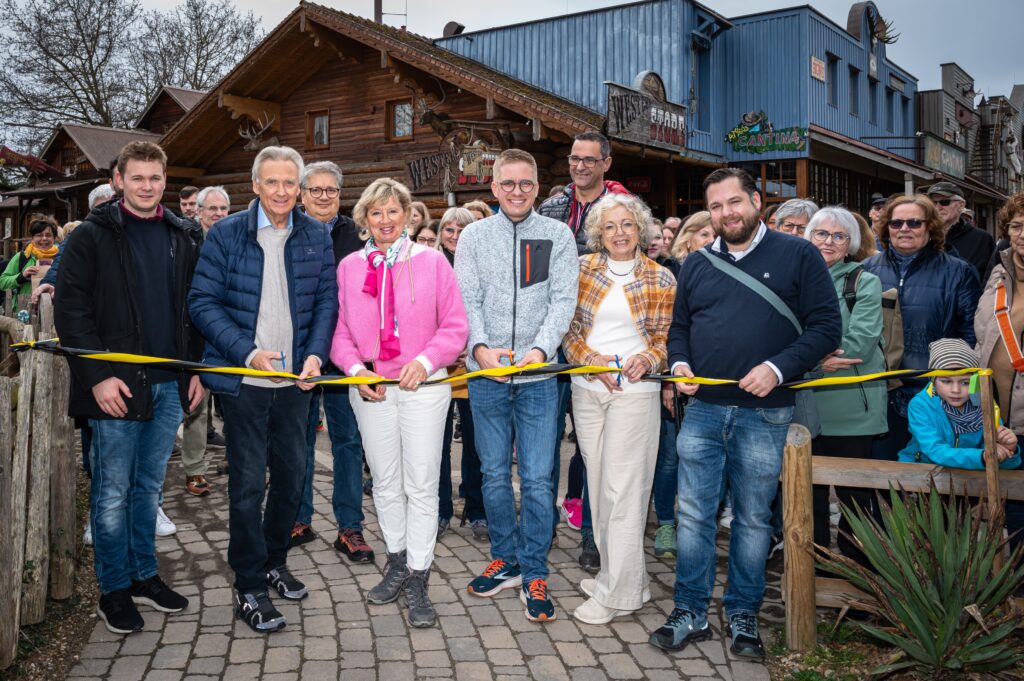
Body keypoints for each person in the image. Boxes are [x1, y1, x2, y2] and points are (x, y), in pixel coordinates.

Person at [650, 167, 841, 657]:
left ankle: (742, 615)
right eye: (715, 206)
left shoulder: (798, 254)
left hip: (767, 413)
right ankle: (690, 610)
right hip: (705, 411)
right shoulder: (695, 263)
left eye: (734, 202)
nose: (725, 214)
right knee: (692, 515)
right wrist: (680, 363)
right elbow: (680, 328)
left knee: (754, 520)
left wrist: (778, 368)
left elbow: (825, 328)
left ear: (757, 201)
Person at [54, 140, 204, 634]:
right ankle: (113, 589)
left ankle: (144, 576)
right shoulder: (92, 236)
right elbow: (71, 311)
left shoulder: (182, 234)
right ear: (118, 180)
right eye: (136, 177)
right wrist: (97, 375)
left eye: (155, 178)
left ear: (165, 181)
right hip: (115, 387)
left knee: (148, 488)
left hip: (168, 386)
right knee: (112, 491)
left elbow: (194, 308)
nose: (146, 186)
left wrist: (195, 369)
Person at [188, 146, 338, 633]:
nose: (281, 191)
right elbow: (203, 303)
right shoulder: (227, 234)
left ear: (299, 187)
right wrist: (246, 352)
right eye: (271, 182)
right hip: (245, 383)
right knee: (249, 485)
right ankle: (248, 584)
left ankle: (275, 561)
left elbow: (325, 303)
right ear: (255, 185)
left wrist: (316, 353)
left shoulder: (315, 233)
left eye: (289, 183)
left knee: (293, 480)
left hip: (297, 383)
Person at [331, 177, 468, 628]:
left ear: (409, 214)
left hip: (423, 389)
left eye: (394, 211)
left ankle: (419, 577)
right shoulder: (350, 266)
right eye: (376, 212)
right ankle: (396, 559)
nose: (386, 220)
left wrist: (427, 362)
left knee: (422, 483)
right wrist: (355, 370)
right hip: (372, 389)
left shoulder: (431, 262)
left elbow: (454, 327)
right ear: (364, 219)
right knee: (386, 482)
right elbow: (340, 333)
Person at [455, 148, 579, 622]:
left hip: (538, 376)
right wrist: (480, 349)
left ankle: (535, 569)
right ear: (493, 187)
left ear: (537, 187)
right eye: (508, 183)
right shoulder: (473, 236)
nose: (516, 191)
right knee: (491, 475)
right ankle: (506, 557)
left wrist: (540, 351)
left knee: (538, 476)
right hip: (486, 373)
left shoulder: (557, 235)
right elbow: (466, 297)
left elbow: (562, 300)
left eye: (525, 183)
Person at [562, 193, 675, 624]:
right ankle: (621, 577)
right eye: (610, 226)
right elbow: (568, 330)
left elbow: (665, 341)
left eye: (627, 224)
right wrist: (589, 364)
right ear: (598, 233)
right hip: (586, 387)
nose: (619, 233)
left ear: (641, 229)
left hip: (636, 392)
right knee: (599, 484)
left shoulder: (661, 278)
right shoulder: (581, 270)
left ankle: (619, 595)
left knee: (624, 491)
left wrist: (647, 359)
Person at [538, 130, 629, 570]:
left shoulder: (622, 210)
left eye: (590, 160)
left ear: (606, 163)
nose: (580, 166)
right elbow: (534, 270)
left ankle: (593, 535)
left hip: (600, 341)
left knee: (595, 448)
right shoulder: (552, 206)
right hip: (554, 340)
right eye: (575, 159)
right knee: (546, 441)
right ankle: (544, 526)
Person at [290, 160, 376, 563]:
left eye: (332, 190)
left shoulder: (358, 235)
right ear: (301, 193)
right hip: (302, 353)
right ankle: (297, 517)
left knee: (347, 442)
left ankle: (349, 528)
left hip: (346, 356)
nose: (324, 197)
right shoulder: (288, 232)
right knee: (300, 439)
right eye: (316, 190)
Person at [862, 194, 980, 460]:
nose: (904, 229)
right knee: (884, 478)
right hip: (881, 392)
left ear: (930, 227)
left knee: (938, 477)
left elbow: (971, 333)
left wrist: (955, 384)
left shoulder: (958, 271)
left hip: (936, 394)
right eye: (896, 223)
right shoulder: (865, 270)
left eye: (915, 223)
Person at [802, 207, 887, 567]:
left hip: (853, 407)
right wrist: (812, 358)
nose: (829, 242)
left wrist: (805, 359)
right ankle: (815, 571)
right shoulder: (795, 281)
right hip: (806, 406)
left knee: (855, 499)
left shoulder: (863, 282)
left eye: (839, 236)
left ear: (851, 244)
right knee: (810, 498)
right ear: (808, 237)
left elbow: (860, 341)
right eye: (821, 233)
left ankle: (858, 581)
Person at [974, 191, 1024, 555]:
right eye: (1017, 226)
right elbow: (982, 330)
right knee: (1011, 503)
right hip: (997, 409)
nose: (1022, 234)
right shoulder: (999, 271)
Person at [435, 206, 487, 542]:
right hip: (439, 368)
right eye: (448, 230)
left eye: (461, 230)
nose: (454, 237)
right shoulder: (430, 265)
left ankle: (477, 508)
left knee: (476, 445)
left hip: (474, 368)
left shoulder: (481, 266)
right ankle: (439, 510)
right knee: (435, 446)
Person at [179, 185, 230, 498]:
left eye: (223, 209)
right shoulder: (187, 242)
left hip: (230, 335)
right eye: (212, 209)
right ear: (198, 212)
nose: (218, 214)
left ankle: (235, 459)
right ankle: (194, 469)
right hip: (197, 333)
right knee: (197, 404)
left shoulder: (237, 239)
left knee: (234, 403)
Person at [899, 339, 1019, 470]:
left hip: (969, 476)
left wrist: (1008, 450)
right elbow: (934, 451)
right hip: (920, 472)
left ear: (975, 382)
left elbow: (1003, 464)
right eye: (946, 381)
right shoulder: (920, 405)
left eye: (965, 382)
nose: (955, 390)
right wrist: (981, 457)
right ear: (933, 380)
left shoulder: (986, 404)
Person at [33, 184, 116, 302]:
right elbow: (62, 262)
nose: (107, 211)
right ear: (92, 210)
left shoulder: (130, 232)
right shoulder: (80, 235)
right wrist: (50, 282)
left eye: (112, 205)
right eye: (101, 207)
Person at [926, 181, 994, 280]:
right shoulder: (920, 236)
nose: (937, 207)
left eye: (945, 202)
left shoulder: (982, 239)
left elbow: (992, 278)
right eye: (932, 203)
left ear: (961, 205)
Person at [1, 216, 59, 308]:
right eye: (39, 235)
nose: (44, 238)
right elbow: (2, 282)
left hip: (52, 310)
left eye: (48, 235)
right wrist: (21, 277)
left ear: (54, 238)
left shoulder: (60, 258)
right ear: (32, 238)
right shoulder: (22, 257)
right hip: (24, 310)